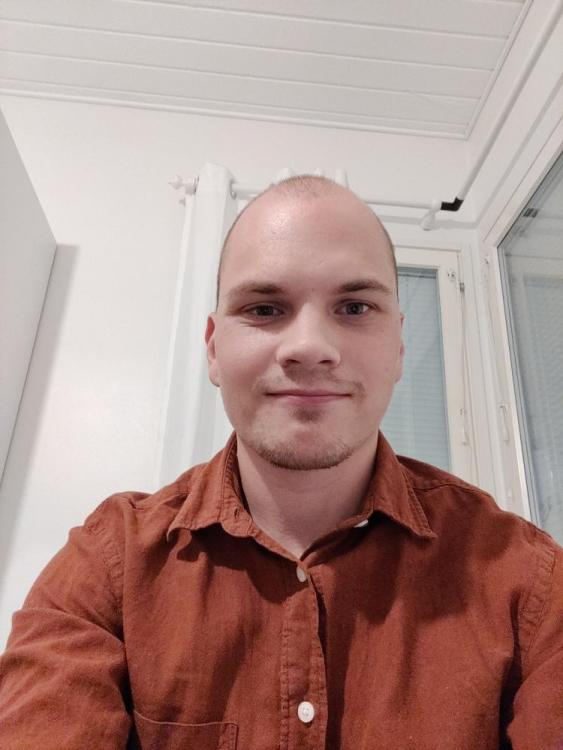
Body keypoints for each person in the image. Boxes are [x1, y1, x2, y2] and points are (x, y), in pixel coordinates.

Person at [0, 175, 562, 749]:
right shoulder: (106, 564)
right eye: (265, 308)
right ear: (213, 348)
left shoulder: (528, 580)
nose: (309, 346)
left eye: (355, 306)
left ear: (398, 347)